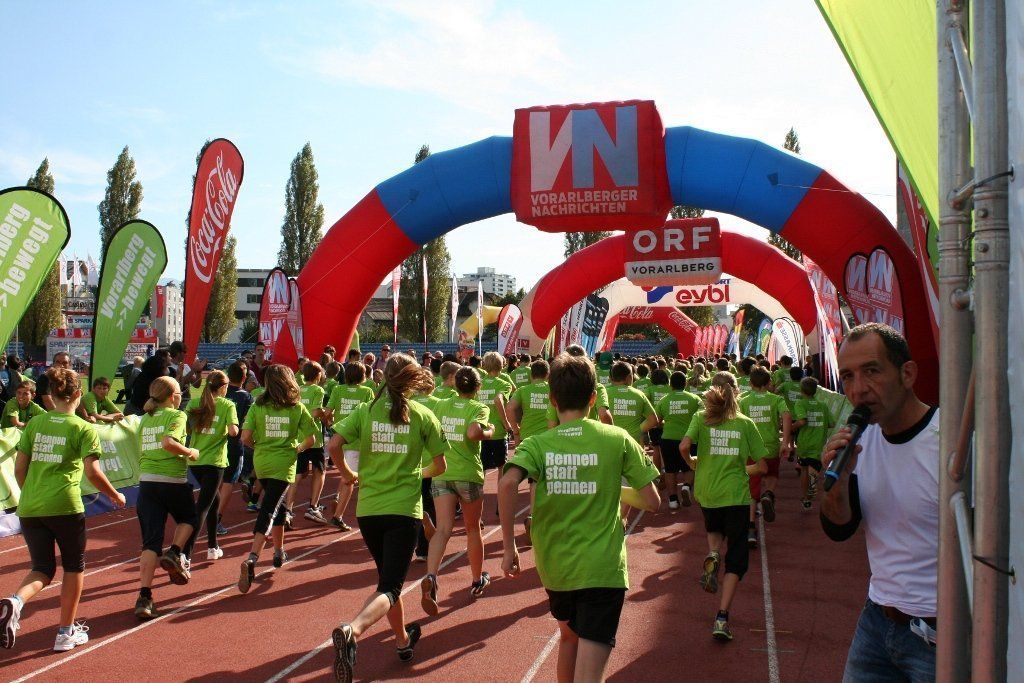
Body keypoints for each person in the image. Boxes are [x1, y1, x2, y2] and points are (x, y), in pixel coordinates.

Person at [499, 353, 660, 682]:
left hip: (556, 567)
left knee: (568, 639)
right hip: (603, 569)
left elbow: (507, 483)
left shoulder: (537, 444)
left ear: (552, 399)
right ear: (593, 398)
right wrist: (610, 487)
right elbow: (652, 501)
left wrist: (508, 547)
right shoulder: (617, 438)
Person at [818, 324, 939, 680]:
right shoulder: (860, 441)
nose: (858, 389)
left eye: (871, 371)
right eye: (848, 376)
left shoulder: (952, 442)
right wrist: (837, 484)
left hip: (942, 630)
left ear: (907, 374)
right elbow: (839, 529)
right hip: (877, 619)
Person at [328, 353, 448, 681]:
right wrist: (416, 473)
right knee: (391, 587)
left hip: (369, 510)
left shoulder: (365, 411)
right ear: (411, 379)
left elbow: (334, 445)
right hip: (403, 510)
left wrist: (349, 475)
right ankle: (353, 629)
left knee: (386, 581)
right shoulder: (422, 414)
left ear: (383, 376)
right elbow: (440, 466)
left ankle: (402, 640)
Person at [0, 368, 125, 651]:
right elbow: (92, 472)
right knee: (73, 566)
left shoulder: (35, 424)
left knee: (42, 568)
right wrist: (115, 494)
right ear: (79, 394)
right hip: (65, 506)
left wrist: (32, 492)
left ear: (50, 395)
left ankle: (15, 601)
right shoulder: (83, 427)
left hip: (31, 507)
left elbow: (19, 469)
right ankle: (65, 633)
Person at [680, 372, 769, 641]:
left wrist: (694, 463)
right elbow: (762, 466)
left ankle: (713, 553)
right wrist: (743, 469)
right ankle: (721, 617)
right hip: (735, 495)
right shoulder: (745, 423)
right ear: (737, 392)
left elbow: (684, 446)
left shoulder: (701, 418)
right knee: (737, 562)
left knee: (714, 529)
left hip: (707, 492)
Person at [238, 365, 317, 592]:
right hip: (284, 463)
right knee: (269, 508)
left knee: (278, 505)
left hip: (262, 462)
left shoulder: (258, 405)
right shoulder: (296, 407)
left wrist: (259, 447)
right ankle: (252, 557)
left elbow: (245, 437)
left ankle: (279, 551)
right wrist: (298, 449)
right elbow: (311, 438)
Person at [421, 367, 494, 615]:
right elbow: (473, 432)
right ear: (477, 387)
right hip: (468, 475)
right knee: (473, 528)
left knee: (443, 529)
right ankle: (476, 579)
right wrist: (489, 431)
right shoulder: (478, 407)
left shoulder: (440, 405)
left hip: (442, 473)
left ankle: (431, 575)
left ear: (455, 385)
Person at [133, 377, 200, 620]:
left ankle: (144, 596)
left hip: (147, 482)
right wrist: (190, 452)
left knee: (150, 543)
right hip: (172, 479)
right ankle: (174, 551)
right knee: (190, 519)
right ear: (173, 396)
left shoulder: (145, 419)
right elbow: (168, 442)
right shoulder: (177, 415)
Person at [183, 371, 239, 562]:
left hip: (196, 461)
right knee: (203, 507)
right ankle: (185, 553)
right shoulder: (228, 405)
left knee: (214, 501)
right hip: (215, 462)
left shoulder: (193, 403)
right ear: (223, 387)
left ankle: (213, 547)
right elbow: (233, 432)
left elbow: (187, 429)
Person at [737, 367, 792, 546]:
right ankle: (769, 494)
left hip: (751, 449)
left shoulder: (743, 400)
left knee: (751, 489)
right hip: (771, 446)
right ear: (769, 383)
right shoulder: (776, 399)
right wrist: (785, 442)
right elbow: (787, 415)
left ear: (751, 383)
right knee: (772, 474)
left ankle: (750, 528)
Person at [325, 362, 376, 530]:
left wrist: (330, 423)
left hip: (340, 437)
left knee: (345, 472)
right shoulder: (366, 391)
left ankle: (338, 497)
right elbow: (371, 414)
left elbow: (328, 412)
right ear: (363, 376)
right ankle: (337, 516)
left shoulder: (338, 389)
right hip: (357, 440)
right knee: (350, 479)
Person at [217, 361, 254, 533]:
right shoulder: (246, 397)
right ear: (244, 378)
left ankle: (207, 513)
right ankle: (216, 518)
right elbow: (247, 423)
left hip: (214, 442)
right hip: (234, 444)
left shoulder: (218, 394)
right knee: (228, 481)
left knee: (215, 480)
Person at [655, 371, 701, 510]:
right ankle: (686, 486)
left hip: (668, 439)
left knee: (670, 470)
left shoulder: (664, 400)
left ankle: (673, 500)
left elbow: (657, 421)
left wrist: (667, 423)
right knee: (690, 466)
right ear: (685, 384)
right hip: (689, 438)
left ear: (671, 385)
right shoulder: (695, 399)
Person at [291, 362, 329, 525]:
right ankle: (313, 507)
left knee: (298, 473)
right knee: (320, 471)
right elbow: (315, 412)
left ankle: (288, 510)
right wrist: (326, 415)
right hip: (314, 437)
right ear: (318, 375)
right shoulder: (318, 390)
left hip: (299, 436)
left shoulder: (298, 389)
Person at [792, 377, 835, 510]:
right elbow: (831, 423)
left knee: (804, 469)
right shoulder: (823, 406)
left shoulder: (800, 403)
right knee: (814, 469)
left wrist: (792, 427)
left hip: (804, 443)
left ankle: (806, 498)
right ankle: (812, 487)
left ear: (801, 390)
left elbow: (802, 421)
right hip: (818, 443)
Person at [128, 349, 172, 416]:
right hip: (142, 410)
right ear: (163, 358)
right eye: (169, 356)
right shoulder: (157, 381)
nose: (171, 358)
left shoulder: (144, 375)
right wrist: (179, 375)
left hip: (133, 407)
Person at [168, 341, 206, 409]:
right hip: (174, 402)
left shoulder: (185, 366)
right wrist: (193, 370)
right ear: (178, 353)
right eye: (184, 352)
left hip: (186, 401)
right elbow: (178, 387)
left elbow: (196, 385)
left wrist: (198, 372)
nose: (186, 354)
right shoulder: (168, 368)